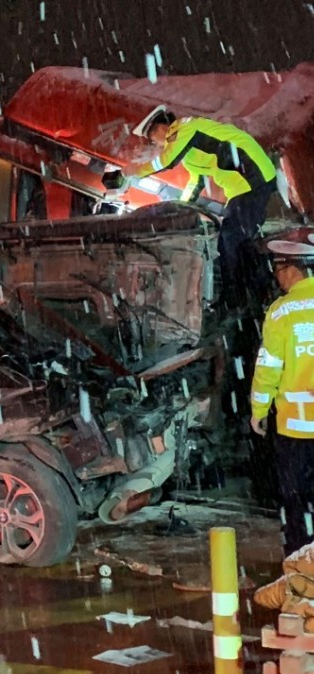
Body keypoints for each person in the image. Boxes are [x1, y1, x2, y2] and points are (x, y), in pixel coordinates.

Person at [108, 108, 278, 306]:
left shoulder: (185, 128)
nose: (155, 144)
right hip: (243, 186)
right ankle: (257, 290)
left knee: (231, 237)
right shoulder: (190, 152)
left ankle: (236, 299)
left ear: (161, 128)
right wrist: (180, 208)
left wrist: (136, 170)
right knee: (240, 240)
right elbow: (195, 183)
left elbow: (165, 162)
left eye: (152, 138)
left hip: (252, 177)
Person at [250, 228, 314, 555]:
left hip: (296, 429)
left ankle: (300, 567)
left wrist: (258, 412)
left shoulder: (281, 312)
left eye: (278, 270)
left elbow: (268, 369)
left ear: (292, 268)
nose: (278, 279)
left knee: (295, 500)